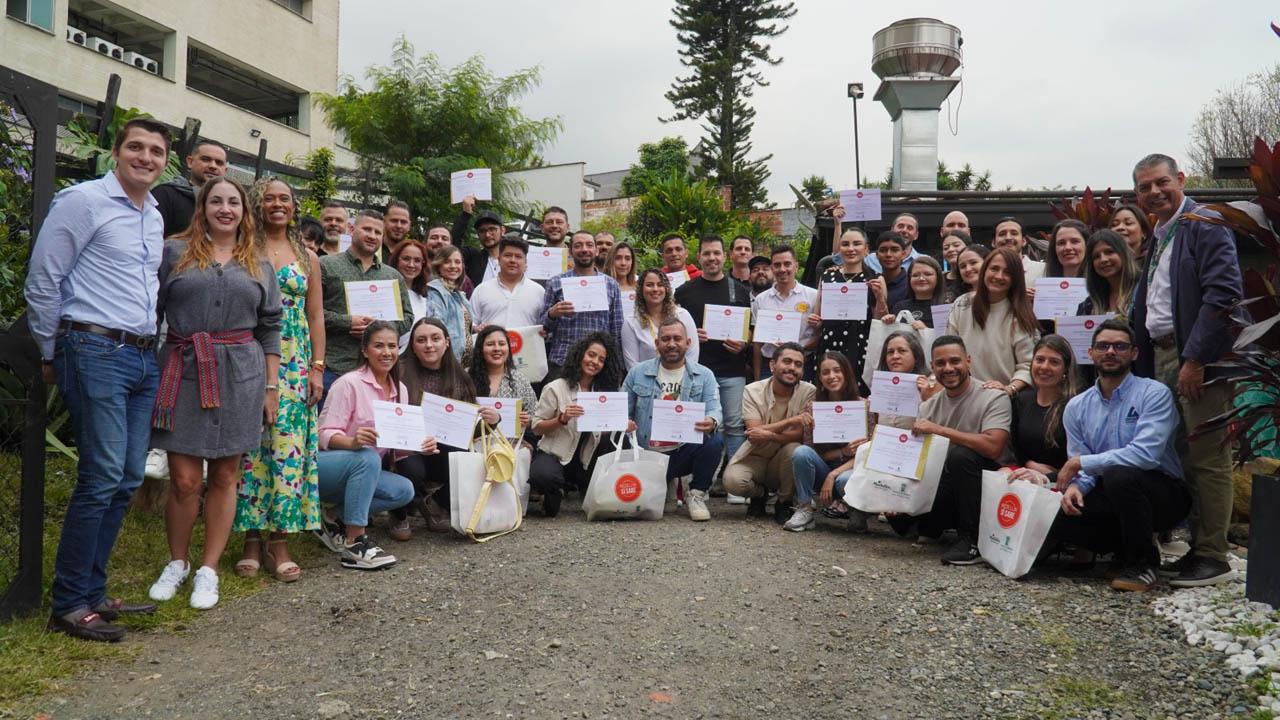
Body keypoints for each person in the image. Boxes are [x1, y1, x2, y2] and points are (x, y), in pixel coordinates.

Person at [24, 118, 170, 641]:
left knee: (129, 477)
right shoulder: (82, 201)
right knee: (102, 475)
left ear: (165, 161)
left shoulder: (152, 214)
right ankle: (67, 603)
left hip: (139, 356)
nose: (146, 157)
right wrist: (52, 348)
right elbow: (44, 278)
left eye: (156, 150)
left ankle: (91, 591)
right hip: (91, 347)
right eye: (136, 147)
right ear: (116, 151)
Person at [146, 176, 282, 610]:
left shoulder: (259, 263)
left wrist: (271, 387)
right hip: (182, 371)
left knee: (225, 476)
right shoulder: (173, 253)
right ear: (202, 206)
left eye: (234, 202)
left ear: (245, 211)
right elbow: (151, 313)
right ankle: (178, 563)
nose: (225, 209)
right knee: (184, 480)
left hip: (241, 374)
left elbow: (271, 327)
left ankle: (208, 569)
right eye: (216, 201)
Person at [1130, 153, 1244, 587]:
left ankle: (1212, 555)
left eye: (1161, 183)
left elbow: (1224, 295)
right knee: (1179, 453)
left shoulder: (1204, 223)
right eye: (1145, 187)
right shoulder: (1160, 233)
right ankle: (1196, 547)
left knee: (1208, 457)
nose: (1154, 192)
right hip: (1162, 355)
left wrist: (1195, 359)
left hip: (1198, 358)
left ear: (1180, 179)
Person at [1052, 319, 1191, 592]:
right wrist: (1076, 488)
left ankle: (1144, 563)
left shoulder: (1154, 394)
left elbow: (1146, 455)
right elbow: (1083, 470)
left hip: (1164, 494)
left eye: (1119, 346)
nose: (1110, 352)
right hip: (1114, 490)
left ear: (1134, 353)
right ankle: (1121, 551)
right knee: (1059, 511)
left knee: (1120, 475)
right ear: (1090, 353)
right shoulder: (1077, 407)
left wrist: (1082, 464)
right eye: (1103, 346)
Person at [235, 177, 325, 584]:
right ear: (256, 203)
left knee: (287, 449)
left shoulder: (307, 256)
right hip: (247, 353)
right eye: (268, 198)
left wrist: (318, 367)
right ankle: (250, 540)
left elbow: (315, 315)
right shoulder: (241, 249)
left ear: (294, 206)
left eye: (284, 198)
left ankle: (279, 540)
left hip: (295, 362)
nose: (277, 204)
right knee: (249, 448)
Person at [312, 321, 414, 569]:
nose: (386, 352)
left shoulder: (399, 389)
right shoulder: (348, 384)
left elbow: (396, 447)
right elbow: (323, 435)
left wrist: (418, 443)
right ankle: (355, 543)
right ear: (365, 350)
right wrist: (353, 442)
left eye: (392, 346)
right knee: (367, 456)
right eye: (378, 346)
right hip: (326, 469)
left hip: (362, 471)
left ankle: (333, 515)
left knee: (404, 490)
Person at [910, 335, 1014, 565]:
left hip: (994, 481)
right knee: (904, 521)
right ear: (932, 367)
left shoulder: (993, 396)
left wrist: (939, 429)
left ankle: (973, 541)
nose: (948, 368)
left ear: (968, 361)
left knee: (961, 456)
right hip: (951, 481)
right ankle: (946, 526)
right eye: (940, 363)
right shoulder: (928, 406)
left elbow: (993, 447)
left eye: (955, 361)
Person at [393, 318, 500, 537]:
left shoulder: (460, 375)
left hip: (442, 447)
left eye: (435, 339)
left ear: (447, 342)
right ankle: (398, 512)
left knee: (465, 459)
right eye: (421, 340)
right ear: (412, 345)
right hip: (407, 448)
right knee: (412, 469)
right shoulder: (398, 373)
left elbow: (467, 432)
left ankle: (434, 501)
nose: (429, 345)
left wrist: (493, 421)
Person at [624, 318, 725, 521]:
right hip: (649, 454)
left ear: (688, 343)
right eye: (666, 339)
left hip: (684, 450)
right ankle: (665, 483)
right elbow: (622, 411)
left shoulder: (704, 375)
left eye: (677, 339)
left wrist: (712, 421)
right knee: (651, 511)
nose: (671, 344)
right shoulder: (637, 373)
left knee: (715, 440)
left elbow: (716, 409)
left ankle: (696, 494)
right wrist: (625, 423)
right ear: (657, 343)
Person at [530, 332, 632, 517]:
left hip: (587, 458)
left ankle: (591, 489)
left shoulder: (604, 392)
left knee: (622, 442)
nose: (595, 362)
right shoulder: (555, 387)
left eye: (601, 360)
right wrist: (561, 418)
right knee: (542, 475)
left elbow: (607, 434)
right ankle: (555, 490)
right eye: (591, 355)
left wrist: (621, 425)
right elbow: (536, 427)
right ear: (580, 355)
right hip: (557, 454)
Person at [674, 234, 754, 466]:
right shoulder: (684, 291)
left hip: (732, 371)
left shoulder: (739, 291)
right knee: (694, 424)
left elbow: (750, 329)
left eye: (716, 253)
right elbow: (672, 326)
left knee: (734, 425)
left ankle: (733, 477)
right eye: (707, 253)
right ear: (698, 257)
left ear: (724, 257)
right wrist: (690, 335)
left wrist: (744, 342)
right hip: (695, 372)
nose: (712, 258)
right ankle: (697, 482)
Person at [318, 209, 415, 391]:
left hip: (377, 373)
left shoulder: (392, 276)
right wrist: (348, 322)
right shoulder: (326, 265)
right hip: (334, 366)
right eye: (367, 230)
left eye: (378, 232)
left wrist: (378, 328)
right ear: (351, 229)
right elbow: (312, 312)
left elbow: (408, 317)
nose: (372, 236)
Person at [723, 343, 816, 523]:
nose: (792, 368)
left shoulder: (809, 392)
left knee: (795, 449)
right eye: (787, 362)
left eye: (798, 364)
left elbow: (799, 435)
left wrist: (770, 434)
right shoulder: (753, 390)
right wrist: (790, 421)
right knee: (732, 481)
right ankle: (760, 495)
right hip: (756, 455)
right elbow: (753, 431)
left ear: (803, 371)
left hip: (784, 458)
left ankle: (784, 502)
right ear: (773, 365)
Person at [783, 352, 867, 532]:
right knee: (801, 452)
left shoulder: (863, 406)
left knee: (845, 479)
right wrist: (842, 453)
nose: (832, 376)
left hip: (851, 474)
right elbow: (812, 452)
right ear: (820, 378)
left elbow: (868, 454)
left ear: (846, 373)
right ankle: (804, 509)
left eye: (837, 370)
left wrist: (833, 475)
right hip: (823, 471)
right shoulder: (813, 408)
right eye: (826, 372)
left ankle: (856, 510)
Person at [945, 247, 1040, 395]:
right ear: (985, 270)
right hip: (963, 395)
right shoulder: (962, 304)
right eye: (994, 269)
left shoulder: (1021, 315)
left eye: (1007, 272)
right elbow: (949, 349)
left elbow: (1028, 365)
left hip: (1004, 398)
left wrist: (1009, 389)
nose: (999, 276)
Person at [540, 230, 625, 380]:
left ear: (596, 250)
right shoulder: (555, 282)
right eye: (578, 246)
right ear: (571, 252)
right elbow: (542, 329)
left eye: (589, 245)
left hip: (599, 362)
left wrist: (616, 364)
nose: (584, 249)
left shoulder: (611, 285)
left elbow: (616, 330)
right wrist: (552, 314)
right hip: (562, 360)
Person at [815, 225, 884, 395]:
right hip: (830, 344)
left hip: (861, 345)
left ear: (866, 249)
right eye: (845, 244)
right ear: (839, 249)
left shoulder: (875, 278)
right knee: (830, 394)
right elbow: (817, 317)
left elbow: (879, 321)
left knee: (858, 394)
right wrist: (815, 320)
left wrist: (880, 297)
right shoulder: (827, 277)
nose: (851, 249)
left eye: (857, 244)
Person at [1005, 335, 1077, 484]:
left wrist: (1047, 475)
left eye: (1054, 362)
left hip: (1063, 482)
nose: (1044, 367)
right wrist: (1029, 465)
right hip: (1025, 475)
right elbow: (1016, 448)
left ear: (1065, 369)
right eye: (1039, 360)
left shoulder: (1075, 405)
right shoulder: (1021, 400)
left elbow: (1078, 459)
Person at [751, 245, 819, 381]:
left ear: (796, 266)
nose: (782, 269)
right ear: (772, 268)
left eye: (787, 264)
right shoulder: (760, 300)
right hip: (769, 365)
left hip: (802, 364)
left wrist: (798, 348)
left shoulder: (813, 296)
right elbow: (757, 344)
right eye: (777, 265)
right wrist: (757, 378)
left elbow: (819, 335)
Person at [468, 324, 538, 441]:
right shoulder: (467, 377)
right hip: (475, 443)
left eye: (502, 344)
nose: (497, 349)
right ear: (480, 349)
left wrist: (527, 421)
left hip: (511, 445)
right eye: (490, 344)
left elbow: (536, 417)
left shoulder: (519, 379)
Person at [622, 268, 699, 369]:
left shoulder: (683, 316)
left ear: (666, 288)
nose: (655, 289)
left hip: (681, 381)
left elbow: (692, 355)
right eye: (649, 285)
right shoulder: (631, 322)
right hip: (646, 382)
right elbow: (632, 364)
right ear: (641, 289)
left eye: (660, 284)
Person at [151, 139, 228, 238]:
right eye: (206, 159)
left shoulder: (229, 207)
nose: (213, 166)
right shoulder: (167, 193)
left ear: (225, 171)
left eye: (219, 163)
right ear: (190, 162)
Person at [470, 236, 546, 330]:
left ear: (525, 262)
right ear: (499, 259)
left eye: (518, 257)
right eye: (508, 255)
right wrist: (476, 328)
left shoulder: (538, 291)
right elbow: (470, 322)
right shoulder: (481, 290)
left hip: (528, 344)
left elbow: (544, 325)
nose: (512, 260)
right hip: (491, 344)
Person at [425, 245, 476, 362]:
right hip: (448, 361)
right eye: (447, 262)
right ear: (439, 266)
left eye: (457, 262)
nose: (453, 266)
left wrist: (476, 329)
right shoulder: (435, 292)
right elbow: (436, 328)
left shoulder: (458, 294)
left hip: (464, 362)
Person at [1079, 229, 1139, 318]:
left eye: (1109, 252)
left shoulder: (1145, 290)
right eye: (1096, 256)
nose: (1103, 259)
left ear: (1123, 253)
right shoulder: (1087, 306)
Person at [451, 195, 505, 287]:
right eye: (482, 231)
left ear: (502, 231)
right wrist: (466, 214)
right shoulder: (473, 257)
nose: (487, 235)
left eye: (492, 229)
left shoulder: (513, 258)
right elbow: (451, 248)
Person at [885, 256, 948, 329]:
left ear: (938, 278)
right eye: (916, 275)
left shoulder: (945, 308)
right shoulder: (899, 307)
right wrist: (888, 321)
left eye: (928, 274)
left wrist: (926, 330)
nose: (921, 278)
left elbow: (945, 338)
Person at [389, 239, 429, 350]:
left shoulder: (425, 297)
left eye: (417, 260)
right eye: (406, 259)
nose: (411, 265)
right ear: (396, 260)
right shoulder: (385, 293)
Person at [993, 216, 1045, 284]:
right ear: (993, 242)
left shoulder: (1044, 270)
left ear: (1024, 241)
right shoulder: (987, 272)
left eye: (1014, 233)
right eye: (1002, 234)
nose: (1008, 238)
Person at [872, 231, 911, 308]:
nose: (888, 254)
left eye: (894, 250)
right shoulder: (872, 283)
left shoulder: (911, 283)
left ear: (903, 254)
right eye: (883, 250)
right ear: (877, 255)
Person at [940, 229, 970, 295]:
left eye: (956, 245)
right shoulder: (938, 280)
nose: (950, 249)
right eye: (946, 248)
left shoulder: (976, 277)